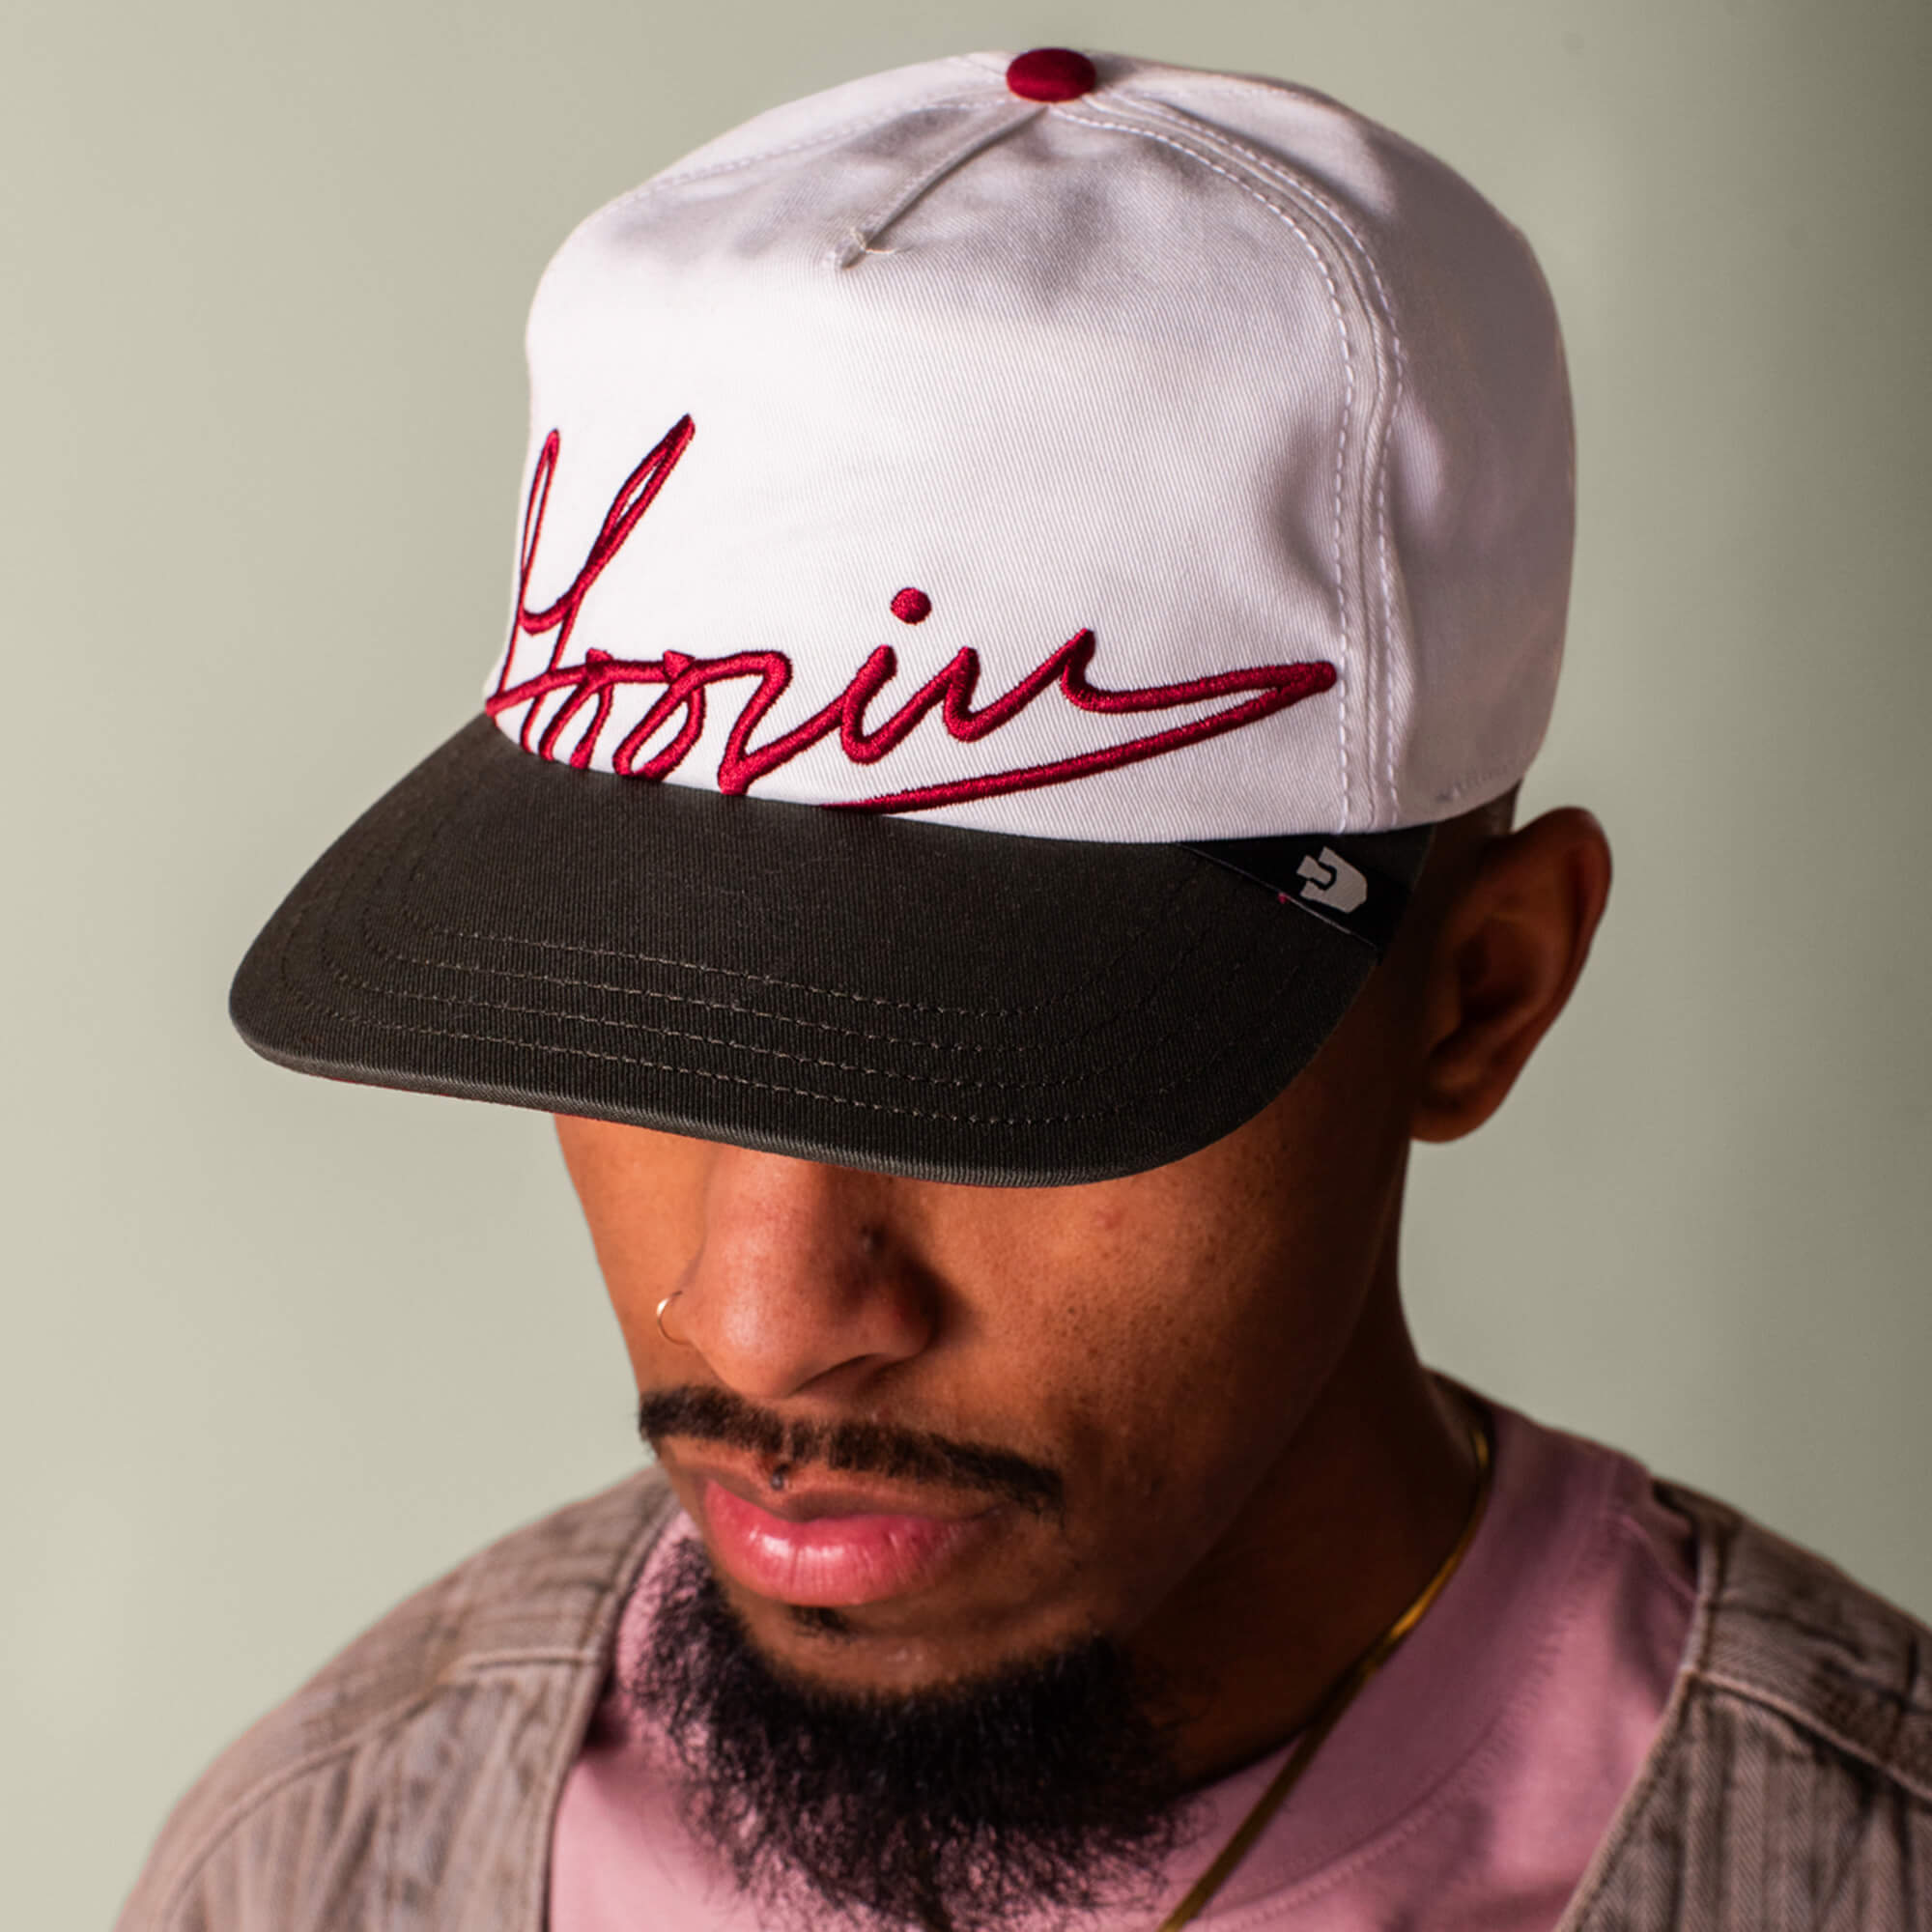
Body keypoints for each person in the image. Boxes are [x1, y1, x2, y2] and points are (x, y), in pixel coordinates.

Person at [119, 44, 1930, 1932]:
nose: (757, 1325)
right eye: (644, 1037)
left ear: (1478, 991)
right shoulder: (318, 1862)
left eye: (988, 1077)